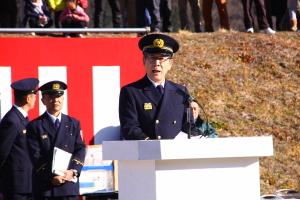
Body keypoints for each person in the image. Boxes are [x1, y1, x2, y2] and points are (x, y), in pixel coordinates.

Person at [119, 34, 201, 140]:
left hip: (176, 154)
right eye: (152, 58)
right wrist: (152, 145)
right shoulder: (132, 92)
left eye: (161, 59)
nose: (156, 64)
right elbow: (130, 128)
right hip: (147, 152)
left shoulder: (180, 91)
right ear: (144, 61)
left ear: (170, 63)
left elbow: (189, 127)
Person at [26, 80, 86, 200]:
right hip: (46, 187)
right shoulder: (35, 125)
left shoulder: (73, 123)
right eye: (51, 98)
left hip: (68, 185)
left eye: (59, 97)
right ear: (43, 101)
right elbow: (35, 155)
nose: (56, 101)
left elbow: (80, 149)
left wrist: (73, 171)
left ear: (63, 99)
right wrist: (50, 176)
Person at [0, 78, 39, 200]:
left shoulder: (21, 118)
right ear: (28, 98)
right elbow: (2, 153)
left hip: (27, 183)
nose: (35, 99)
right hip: (16, 185)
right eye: (34, 96)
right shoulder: (12, 120)